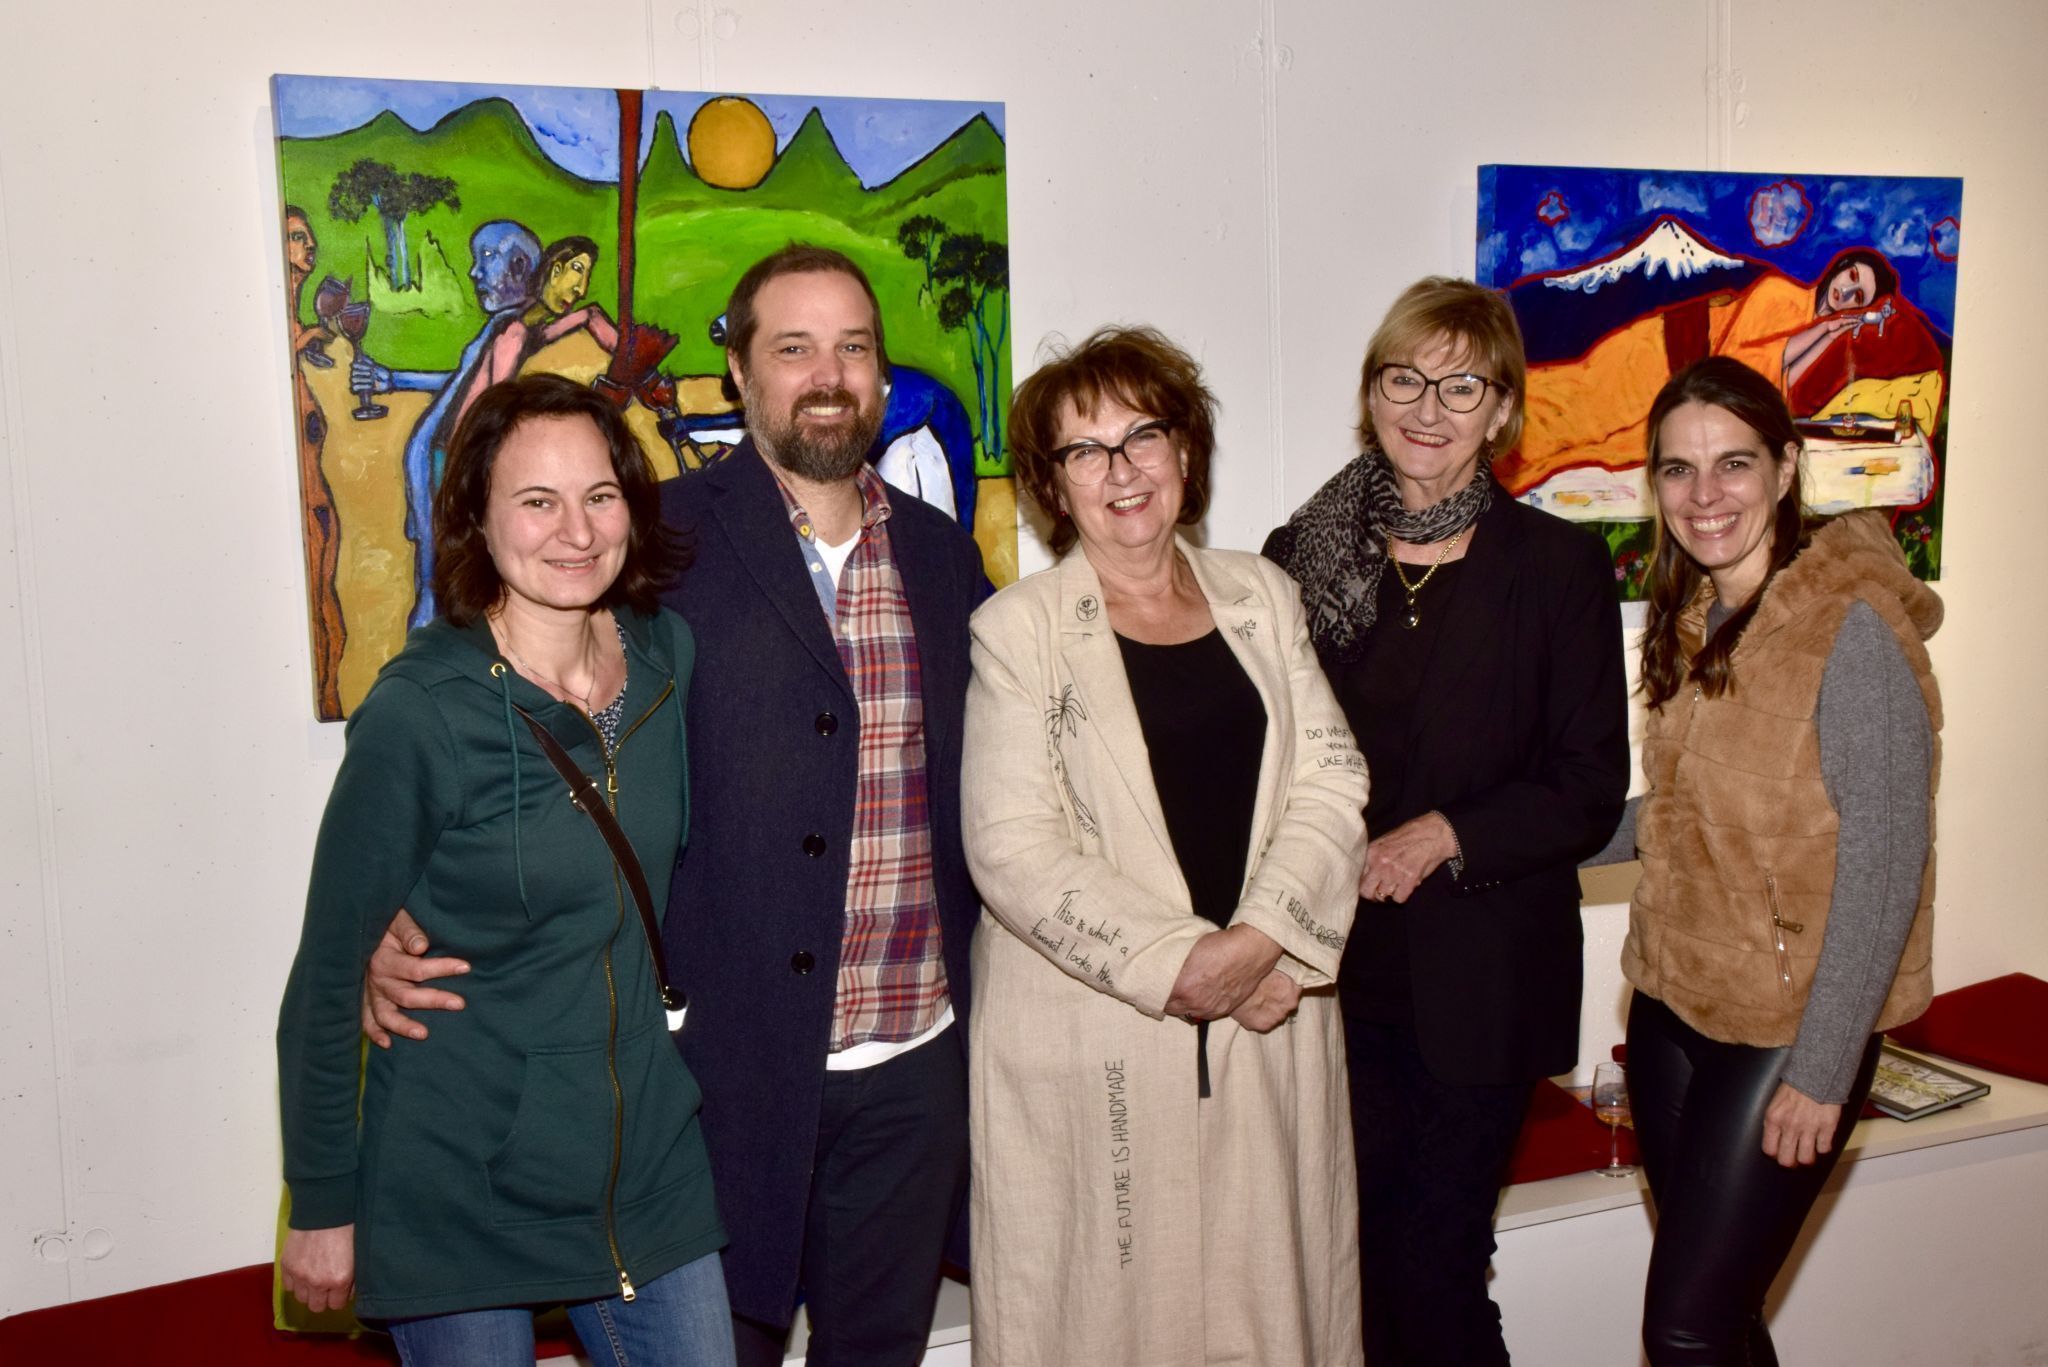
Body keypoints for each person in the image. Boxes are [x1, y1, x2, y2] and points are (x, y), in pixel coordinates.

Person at [365, 245, 986, 1367]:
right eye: (791, 347)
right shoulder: (661, 542)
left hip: (912, 1071)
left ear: (883, 380)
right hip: (722, 1076)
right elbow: (499, 704)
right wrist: (397, 911)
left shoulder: (947, 561)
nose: (826, 373)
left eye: (852, 346)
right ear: (739, 376)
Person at [276, 374, 731, 1366]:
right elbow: (323, 974)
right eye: (536, 500)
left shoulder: (666, 659)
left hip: (645, 1168)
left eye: (600, 495)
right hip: (459, 1182)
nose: (575, 529)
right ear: (476, 519)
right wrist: (321, 1203)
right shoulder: (421, 713)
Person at [963, 326, 1370, 1365]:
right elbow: (1010, 845)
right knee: (1106, 1319)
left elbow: (1331, 777)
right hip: (1091, 1031)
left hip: (1268, 1018)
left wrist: (1261, 941)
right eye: (1083, 449)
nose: (1121, 468)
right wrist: (1198, 966)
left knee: (1265, 1303)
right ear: (1052, 485)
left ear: (1184, 453)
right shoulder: (1018, 630)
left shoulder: (1261, 597)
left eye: (1143, 434)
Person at [1263, 276, 1629, 1365]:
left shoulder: (1556, 567)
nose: (1427, 406)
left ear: (1502, 410)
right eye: (1402, 378)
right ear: (1369, 393)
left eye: (1459, 384)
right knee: (1352, 1268)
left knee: (1432, 1268)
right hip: (1330, 974)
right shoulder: (1300, 554)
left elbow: (1584, 784)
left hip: (1481, 979)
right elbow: (1273, 760)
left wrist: (1444, 832)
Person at [1615, 355, 1940, 1364]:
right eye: (1676, 470)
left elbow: (1886, 864)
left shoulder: (1848, 631)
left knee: (1681, 1328)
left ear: (1785, 467)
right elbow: (1674, 815)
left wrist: (1823, 1066)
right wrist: (1491, 829)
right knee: (1720, 1312)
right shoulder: (1689, 622)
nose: (1702, 496)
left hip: (1785, 1030)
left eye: (1731, 464)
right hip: (1672, 1009)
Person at [352, 219, 542, 627]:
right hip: (439, 462)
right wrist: (393, 379)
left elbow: (489, 397)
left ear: (520, 266)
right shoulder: (502, 325)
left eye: (487, 259)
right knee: (436, 576)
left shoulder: (515, 331)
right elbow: (463, 379)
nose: (475, 272)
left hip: (451, 465)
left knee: (439, 581)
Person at [282, 204, 346, 717]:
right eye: (299, 238)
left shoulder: (296, 327)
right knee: (323, 618)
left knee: (333, 618)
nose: (310, 248)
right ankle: (327, 695)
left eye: (307, 238)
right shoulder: (282, 335)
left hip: (319, 501)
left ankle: (332, 697)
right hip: (306, 507)